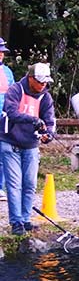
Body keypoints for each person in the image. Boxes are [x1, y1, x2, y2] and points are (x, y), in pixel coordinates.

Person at [0, 63, 56, 235]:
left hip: (31, 145)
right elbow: (11, 111)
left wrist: (48, 135)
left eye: (46, 82)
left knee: (30, 184)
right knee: (14, 184)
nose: (43, 85)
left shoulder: (45, 97)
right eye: (40, 82)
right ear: (31, 78)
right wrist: (33, 120)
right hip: (9, 142)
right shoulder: (15, 90)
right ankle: (16, 222)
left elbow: (50, 121)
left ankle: (25, 219)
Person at [0, 39, 15, 202]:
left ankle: (0, 187)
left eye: (2, 51)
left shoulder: (8, 72)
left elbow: (13, 95)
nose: (1, 54)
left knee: (3, 153)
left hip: (3, 118)